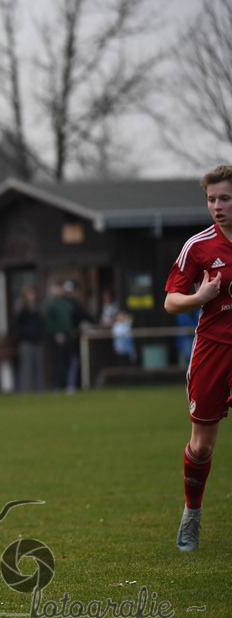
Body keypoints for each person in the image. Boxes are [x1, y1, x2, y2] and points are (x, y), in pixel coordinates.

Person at [163, 164, 232, 552]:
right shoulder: (199, 246)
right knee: (203, 446)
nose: (217, 206)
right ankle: (192, 516)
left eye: (224, 198)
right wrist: (200, 298)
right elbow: (171, 301)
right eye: (211, 200)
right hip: (213, 349)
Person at [44, 281, 76, 393]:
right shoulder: (51, 304)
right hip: (58, 337)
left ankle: (69, 384)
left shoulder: (68, 303)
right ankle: (58, 385)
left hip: (68, 335)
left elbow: (74, 317)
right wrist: (56, 333)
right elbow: (49, 322)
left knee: (69, 361)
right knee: (59, 362)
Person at [13, 286, 45, 393]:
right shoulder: (21, 310)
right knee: (27, 369)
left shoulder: (38, 310)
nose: (32, 297)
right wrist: (26, 333)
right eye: (30, 295)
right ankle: (26, 391)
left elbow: (41, 324)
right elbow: (17, 326)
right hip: (26, 342)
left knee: (39, 368)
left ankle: (39, 391)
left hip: (37, 342)